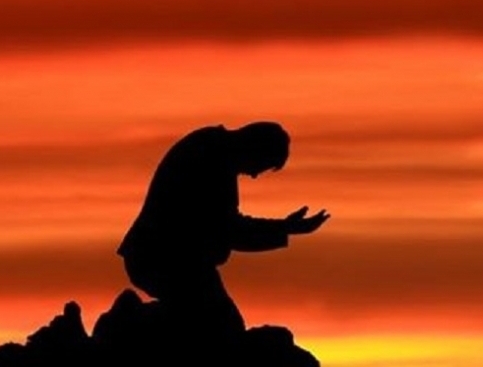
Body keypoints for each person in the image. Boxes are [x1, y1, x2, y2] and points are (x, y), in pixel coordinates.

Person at [116, 121, 330, 342]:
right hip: (166, 260)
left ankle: (129, 322)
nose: (254, 175)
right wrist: (285, 228)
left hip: (173, 260)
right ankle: (126, 325)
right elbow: (229, 229)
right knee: (221, 326)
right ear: (254, 147)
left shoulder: (213, 149)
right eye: (261, 165)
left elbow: (226, 226)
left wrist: (284, 228)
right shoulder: (212, 157)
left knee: (213, 323)